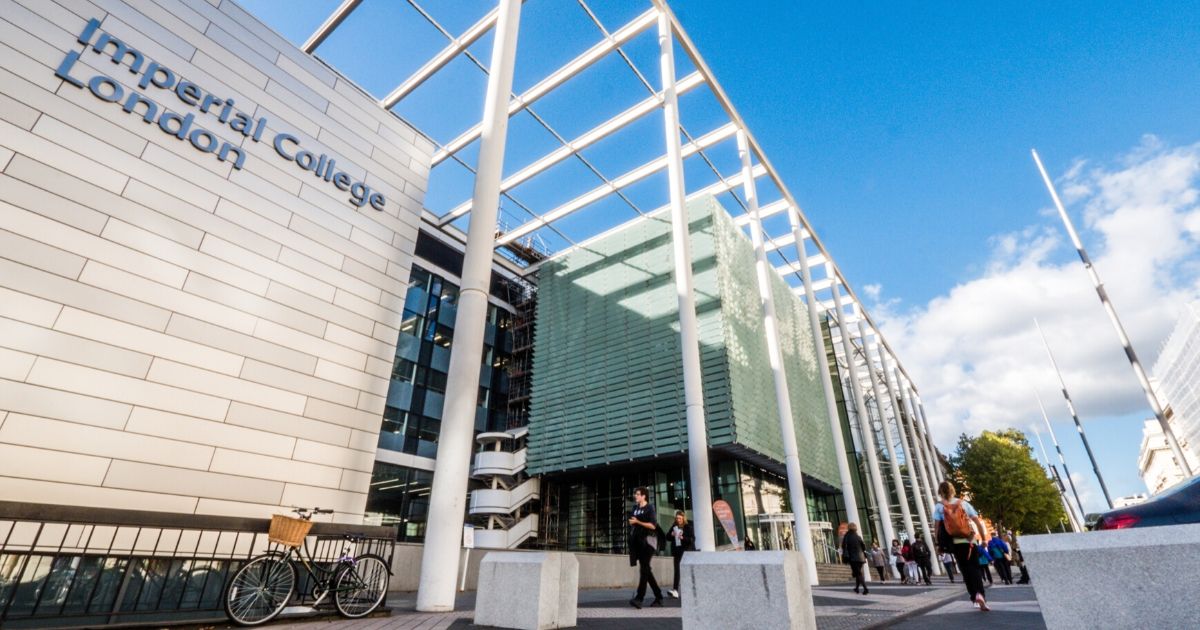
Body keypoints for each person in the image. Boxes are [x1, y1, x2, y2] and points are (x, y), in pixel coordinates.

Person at [933, 480, 991, 612]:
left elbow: (937, 528)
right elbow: (977, 521)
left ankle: (973, 597)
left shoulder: (939, 507)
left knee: (965, 570)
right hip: (970, 541)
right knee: (975, 568)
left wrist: (938, 544)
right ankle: (980, 595)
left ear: (940, 492)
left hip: (955, 544)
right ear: (953, 491)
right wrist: (983, 539)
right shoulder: (963, 503)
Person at [627, 487, 663, 609]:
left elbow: (653, 526)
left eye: (637, 494)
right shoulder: (635, 508)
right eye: (635, 494)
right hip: (638, 542)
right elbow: (633, 522)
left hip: (649, 541)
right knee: (646, 569)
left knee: (644, 569)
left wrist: (638, 522)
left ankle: (639, 598)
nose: (635, 496)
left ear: (644, 496)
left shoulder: (650, 508)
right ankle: (659, 596)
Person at [667, 510, 694, 598]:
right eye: (677, 518)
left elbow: (692, 539)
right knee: (677, 570)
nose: (678, 520)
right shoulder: (674, 526)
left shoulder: (687, 527)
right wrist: (671, 534)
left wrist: (682, 537)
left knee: (687, 570)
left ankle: (692, 588)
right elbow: (667, 537)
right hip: (677, 551)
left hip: (686, 551)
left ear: (683, 518)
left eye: (680, 518)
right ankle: (675, 590)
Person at [840, 522, 869, 595]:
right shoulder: (858, 536)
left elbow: (844, 546)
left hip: (853, 558)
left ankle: (865, 588)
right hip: (861, 557)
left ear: (848, 528)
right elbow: (863, 546)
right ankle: (857, 588)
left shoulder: (847, 536)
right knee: (858, 573)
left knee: (858, 573)